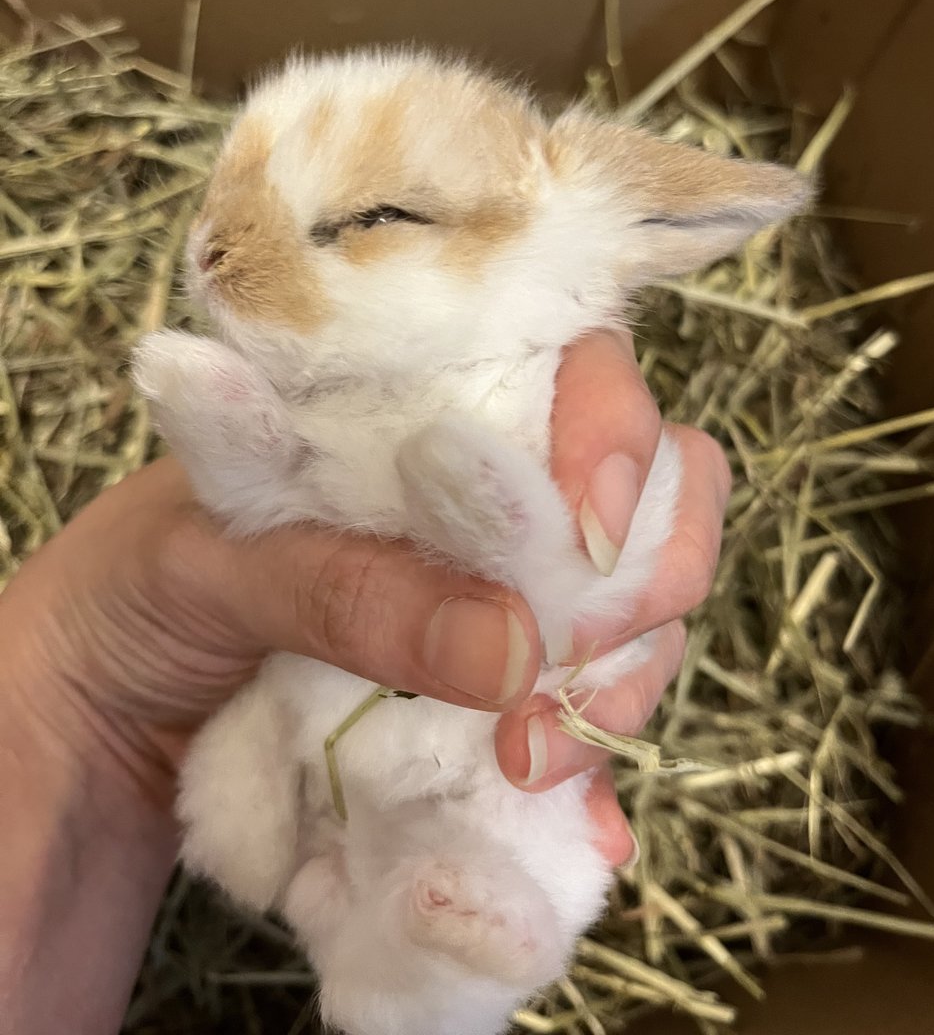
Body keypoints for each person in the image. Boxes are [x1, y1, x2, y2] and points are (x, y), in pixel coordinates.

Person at [0, 329, 730, 1035]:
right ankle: (416, 955)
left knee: (504, 829)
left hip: (452, 764)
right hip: (315, 728)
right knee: (254, 815)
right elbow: (274, 506)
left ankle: (430, 969)